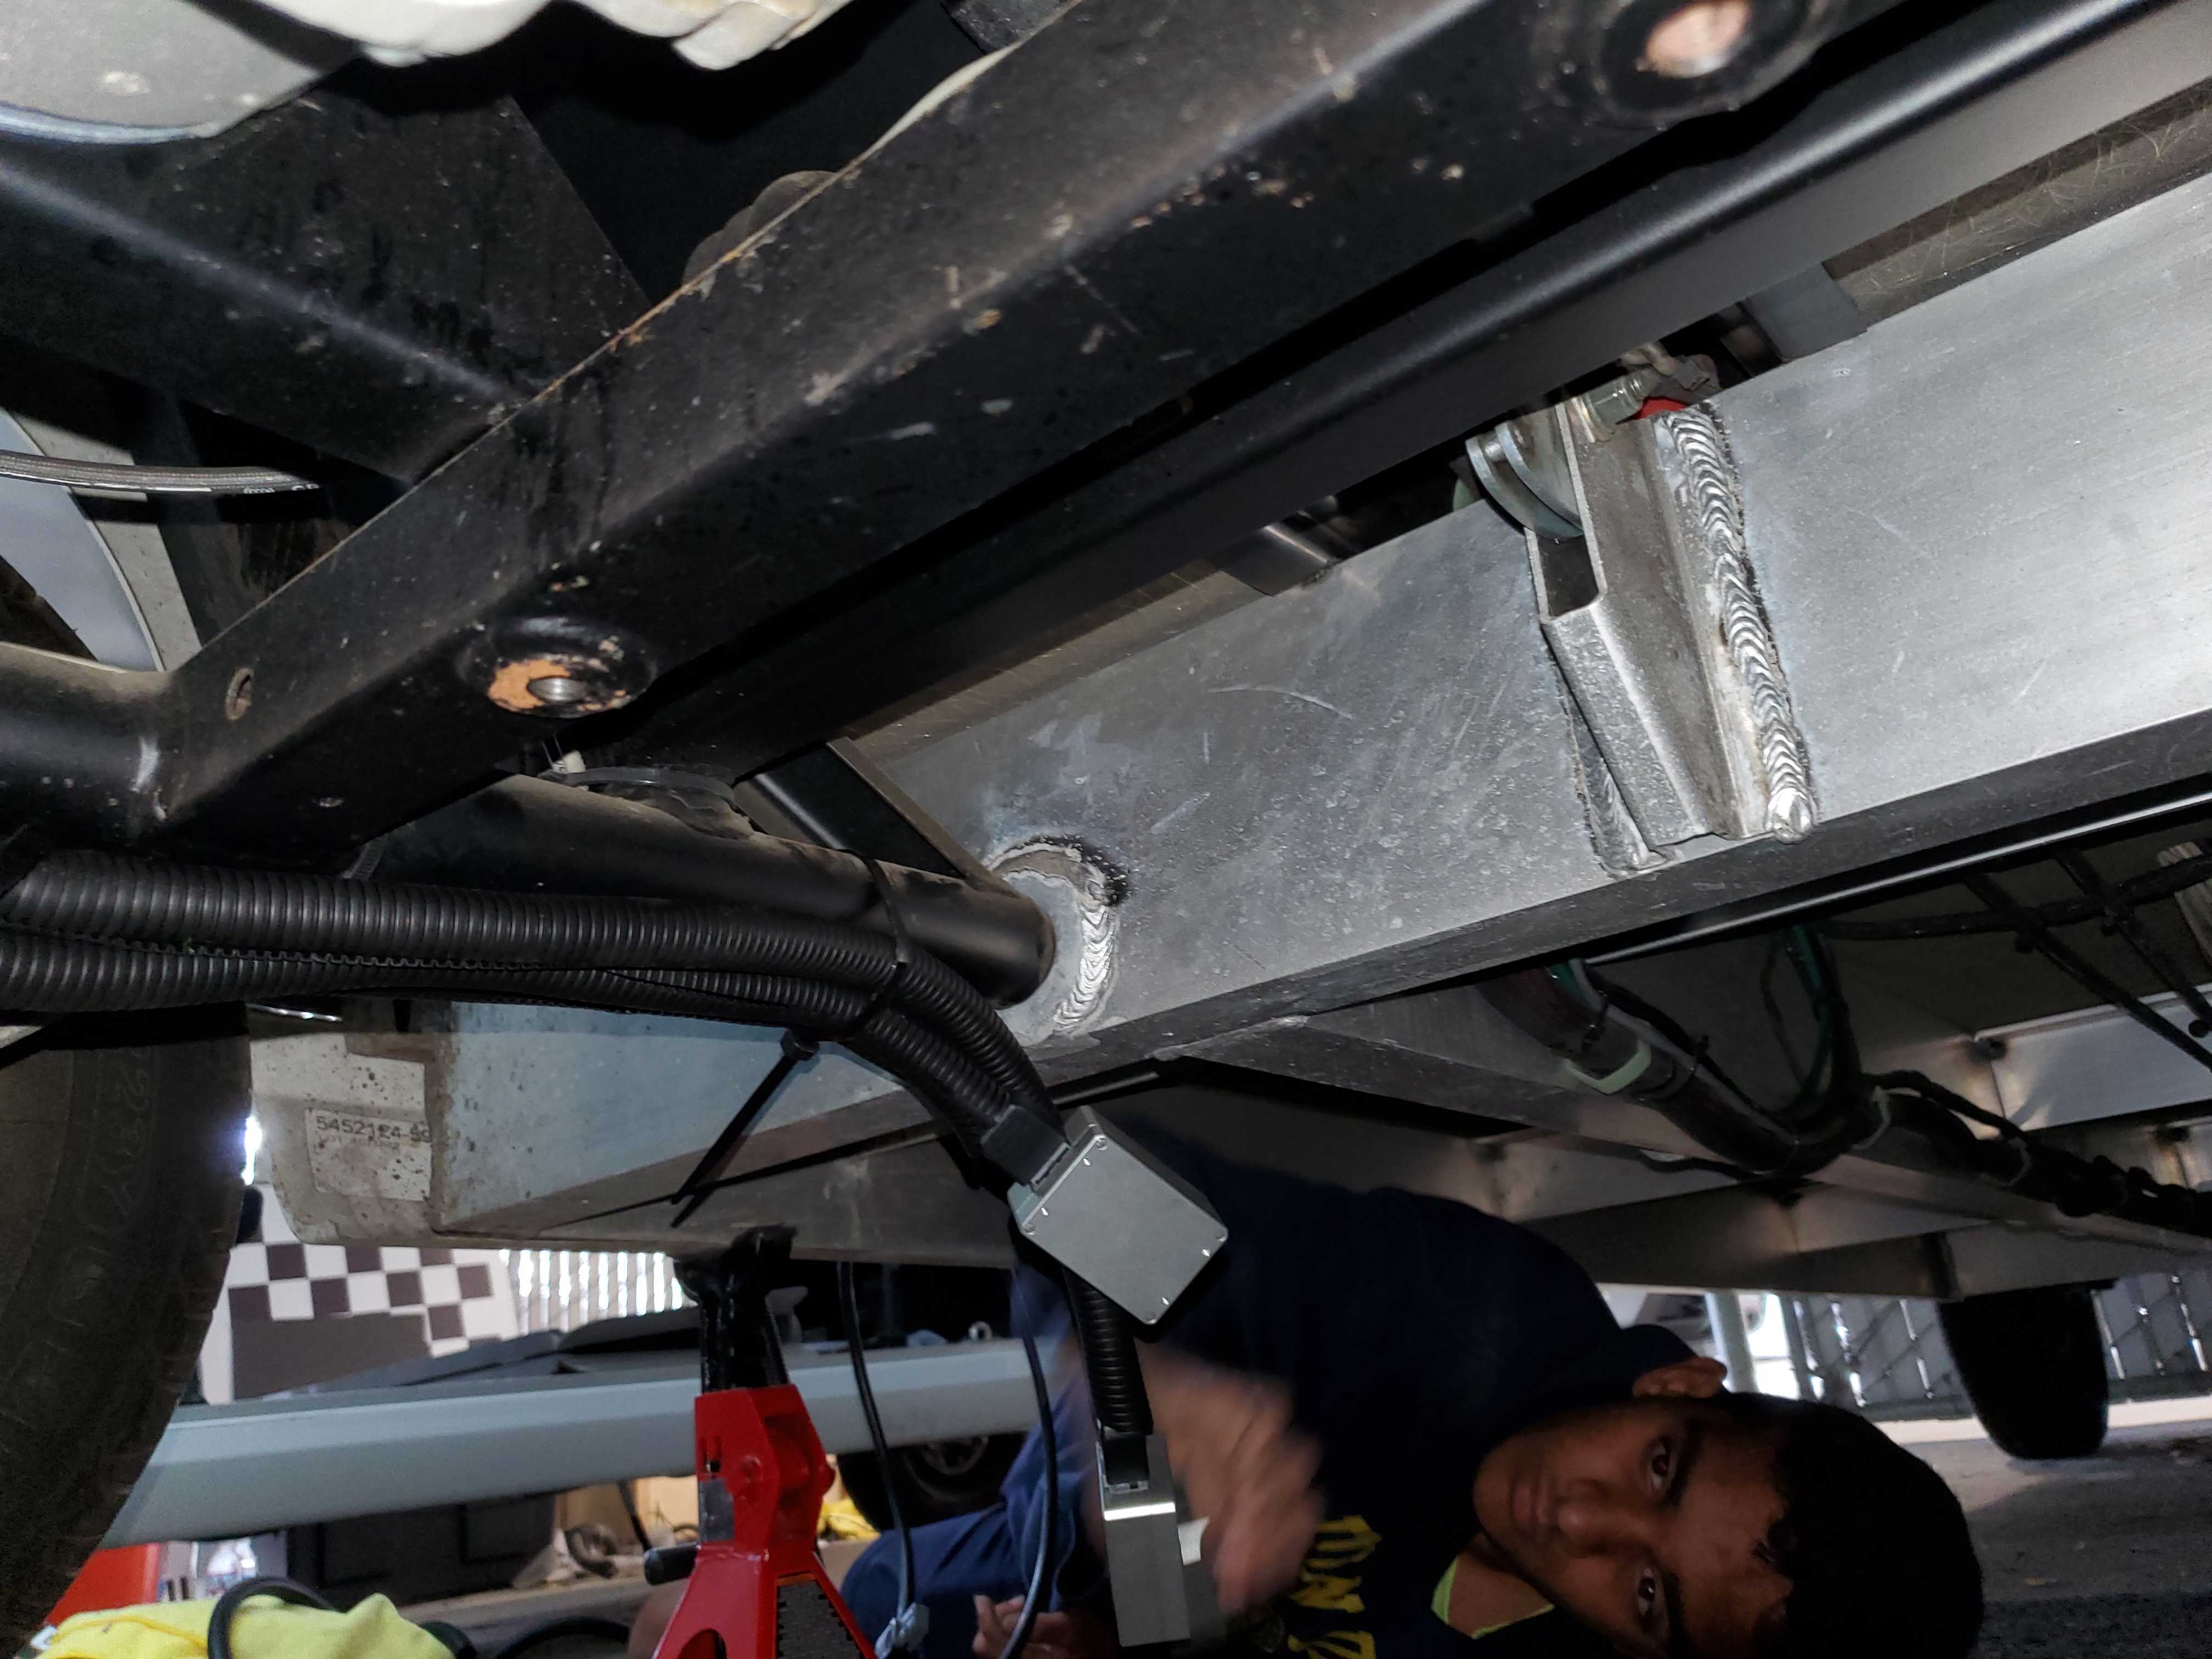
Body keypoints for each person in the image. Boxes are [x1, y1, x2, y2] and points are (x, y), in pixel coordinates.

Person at [837, 1128, 1983, 1659]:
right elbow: (1086, 1182)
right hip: (1072, 1507)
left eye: (1645, 1595)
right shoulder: (1475, 1318)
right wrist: (1152, 1387)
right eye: (1659, 1469)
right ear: (1681, 1380)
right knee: (875, 1597)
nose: (1577, 1520)